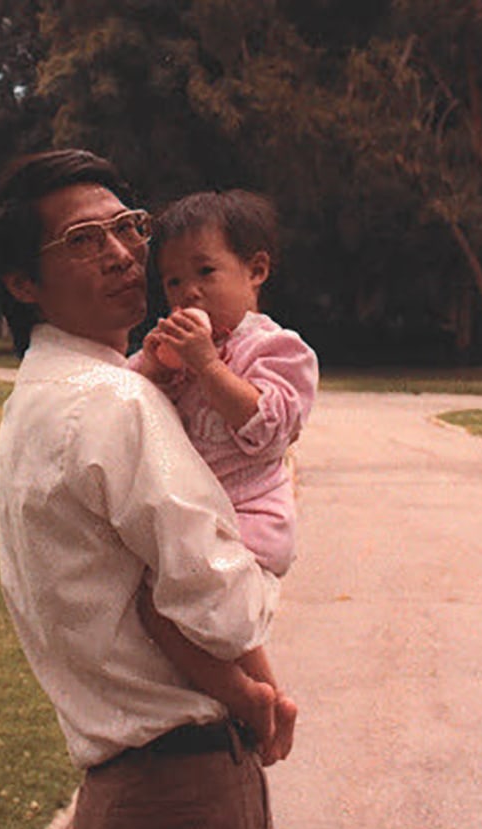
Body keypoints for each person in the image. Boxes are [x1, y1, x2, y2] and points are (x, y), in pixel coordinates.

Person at [0, 149, 286, 829]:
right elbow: (226, 610)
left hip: (117, 807)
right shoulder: (117, 403)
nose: (120, 252)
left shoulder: (38, 397)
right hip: (183, 801)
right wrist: (261, 561)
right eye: (83, 238)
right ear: (22, 283)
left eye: (127, 227)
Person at [128, 190, 318, 764]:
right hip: (206, 515)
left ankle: (246, 699)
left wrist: (209, 365)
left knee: (162, 610)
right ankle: (269, 700)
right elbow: (134, 399)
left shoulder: (277, 349)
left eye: (205, 272)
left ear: (255, 270)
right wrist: (157, 365)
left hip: (251, 519)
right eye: (173, 282)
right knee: (193, 616)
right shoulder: (184, 349)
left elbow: (267, 429)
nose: (189, 293)